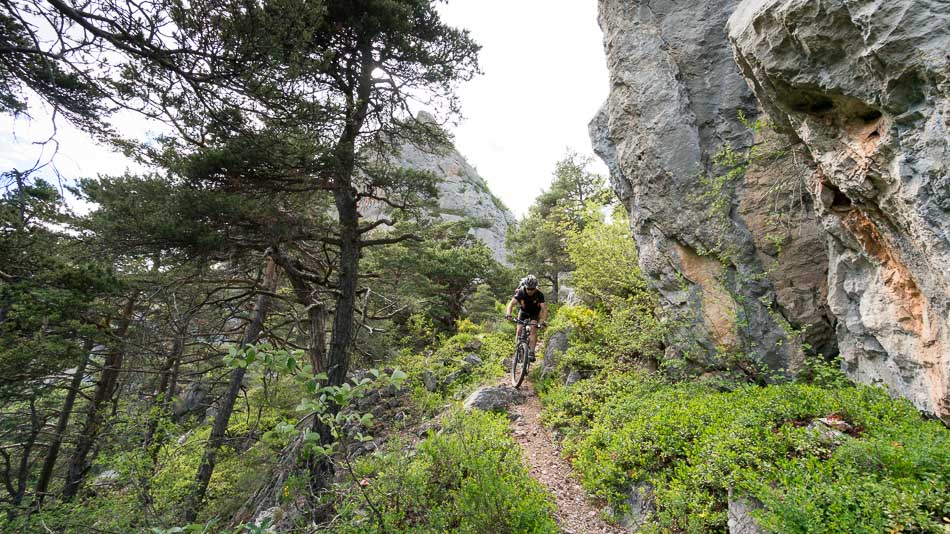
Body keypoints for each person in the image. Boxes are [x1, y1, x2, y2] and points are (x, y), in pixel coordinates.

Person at [504, 275, 548, 362]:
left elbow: (544, 309)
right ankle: (518, 351)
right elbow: (511, 304)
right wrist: (508, 314)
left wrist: (543, 321)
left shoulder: (539, 294)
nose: (530, 291)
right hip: (523, 311)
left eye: (532, 289)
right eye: (528, 288)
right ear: (525, 287)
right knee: (519, 330)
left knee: (533, 329)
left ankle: (531, 352)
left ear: (535, 288)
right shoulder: (521, 292)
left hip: (534, 312)